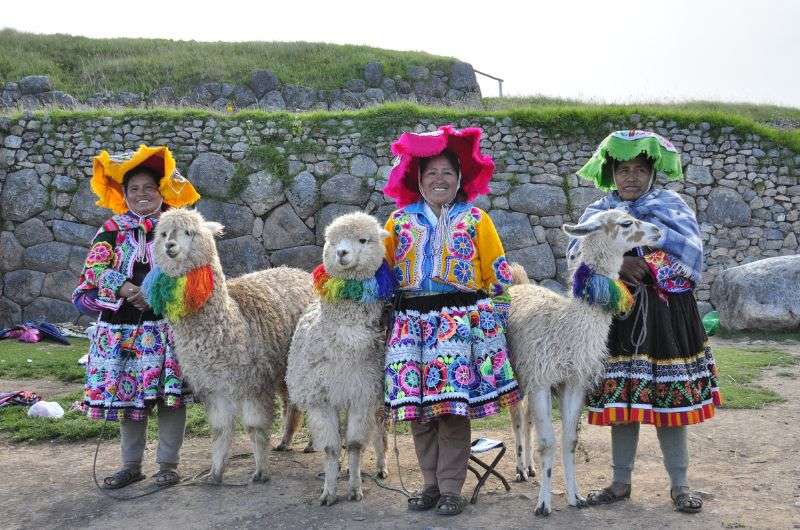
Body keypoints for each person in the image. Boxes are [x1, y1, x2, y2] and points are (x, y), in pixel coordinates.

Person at [569, 130, 722, 513]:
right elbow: (580, 253)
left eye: (639, 169)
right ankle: (620, 482)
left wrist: (648, 263)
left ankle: (680, 484)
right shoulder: (600, 212)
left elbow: (690, 252)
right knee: (624, 400)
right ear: (612, 174)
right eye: (623, 170)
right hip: (618, 318)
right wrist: (619, 263)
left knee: (667, 400)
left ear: (651, 172)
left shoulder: (671, 205)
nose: (631, 177)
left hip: (665, 316)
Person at [382, 125, 522, 516]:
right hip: (411, 321)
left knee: (450, 408)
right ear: (418, 180)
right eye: (431, 173)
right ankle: (428, 484)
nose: (439, 179)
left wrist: (497, 322)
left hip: (458, 323)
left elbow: (498, 274)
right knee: (418, 409)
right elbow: (383, 273)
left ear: (459, 179)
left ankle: (449, 488)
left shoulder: (477, 220)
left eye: (447, 173)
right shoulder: (398, 222)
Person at [73, 145, 200, 489]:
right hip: (122, 329)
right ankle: (131, 465)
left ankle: (168, 465)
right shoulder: (112, 229)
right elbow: (95, 269)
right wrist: (129, 288)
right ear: (124, 194)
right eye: (134, 189)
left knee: (168, 396)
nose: (142, 195)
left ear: (161, 191)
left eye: (149, 188)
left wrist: (155, 292)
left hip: (166, 325)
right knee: (128, 395)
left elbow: (196, 269)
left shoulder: (178, 226)